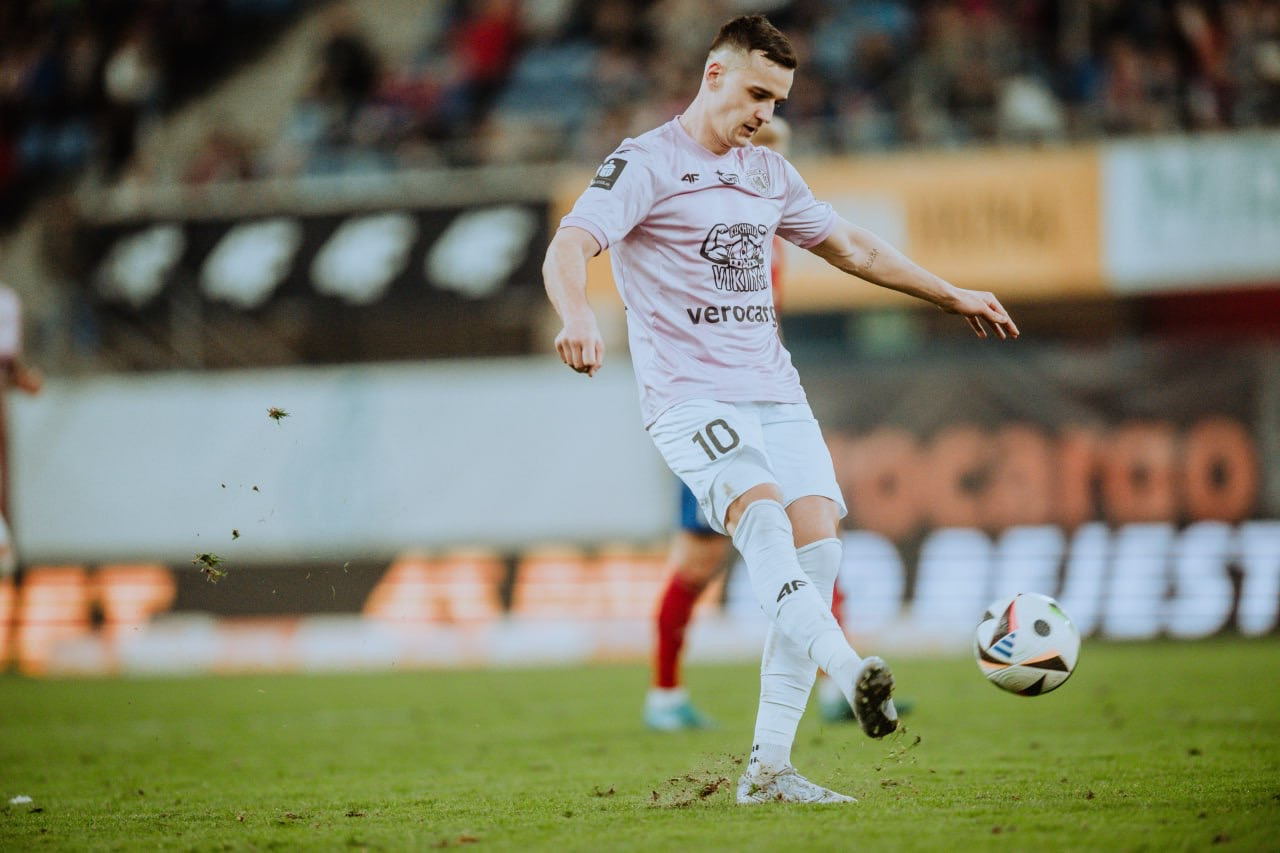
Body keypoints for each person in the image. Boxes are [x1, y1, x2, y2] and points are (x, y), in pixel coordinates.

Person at [543, 15, 1018, 805]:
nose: (765, 113)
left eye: (777, 100)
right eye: (757, 93)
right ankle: (849, 668)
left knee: (820, 550)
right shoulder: (644, 162)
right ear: (714, 76)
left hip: (776, 392)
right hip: (690, 396)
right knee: (761, 520)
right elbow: (569, 243)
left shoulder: (767, 173)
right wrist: (577, 315)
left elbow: (852, 247)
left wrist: (949, 293)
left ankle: (769, 770)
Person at [643, 116, 856, 731]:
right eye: (766, 150)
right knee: (698, 565)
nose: (773, 167)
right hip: (712, 410)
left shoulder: (771, 232)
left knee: (816, 542)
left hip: (767, 406)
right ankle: (664, 694)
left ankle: (837, 686)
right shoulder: (707, 227)